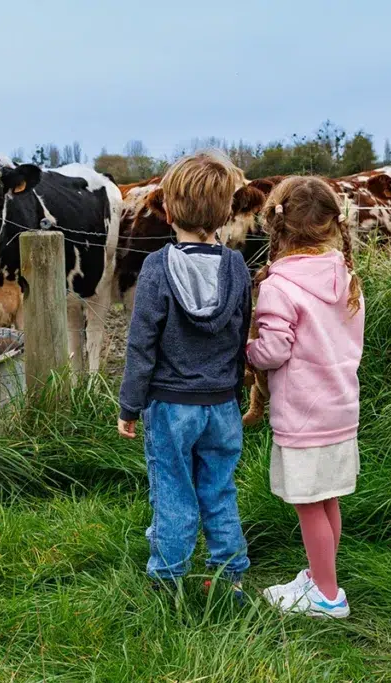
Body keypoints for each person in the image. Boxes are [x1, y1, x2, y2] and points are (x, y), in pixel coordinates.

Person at [117, 151, 253, 599]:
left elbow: (141, 344)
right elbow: (239, 335)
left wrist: (129, 405)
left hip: (171, 405)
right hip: (222, 404)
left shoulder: (157, 267)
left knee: (173, 490)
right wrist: (234, 392)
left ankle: (168, 579)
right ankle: (230, 575)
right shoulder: (236, 267)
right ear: (226, 213)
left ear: (169, 212)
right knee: (219, 489)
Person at [246, 176, 364, 619]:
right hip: (341, 409)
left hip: (303, 415)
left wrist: (248, 352)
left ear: (276, 225)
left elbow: (274, 350)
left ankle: (328, 597)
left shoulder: (279, 286)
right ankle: (320, 577)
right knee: (327, 499)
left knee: (309, 506)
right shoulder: (345, 275)